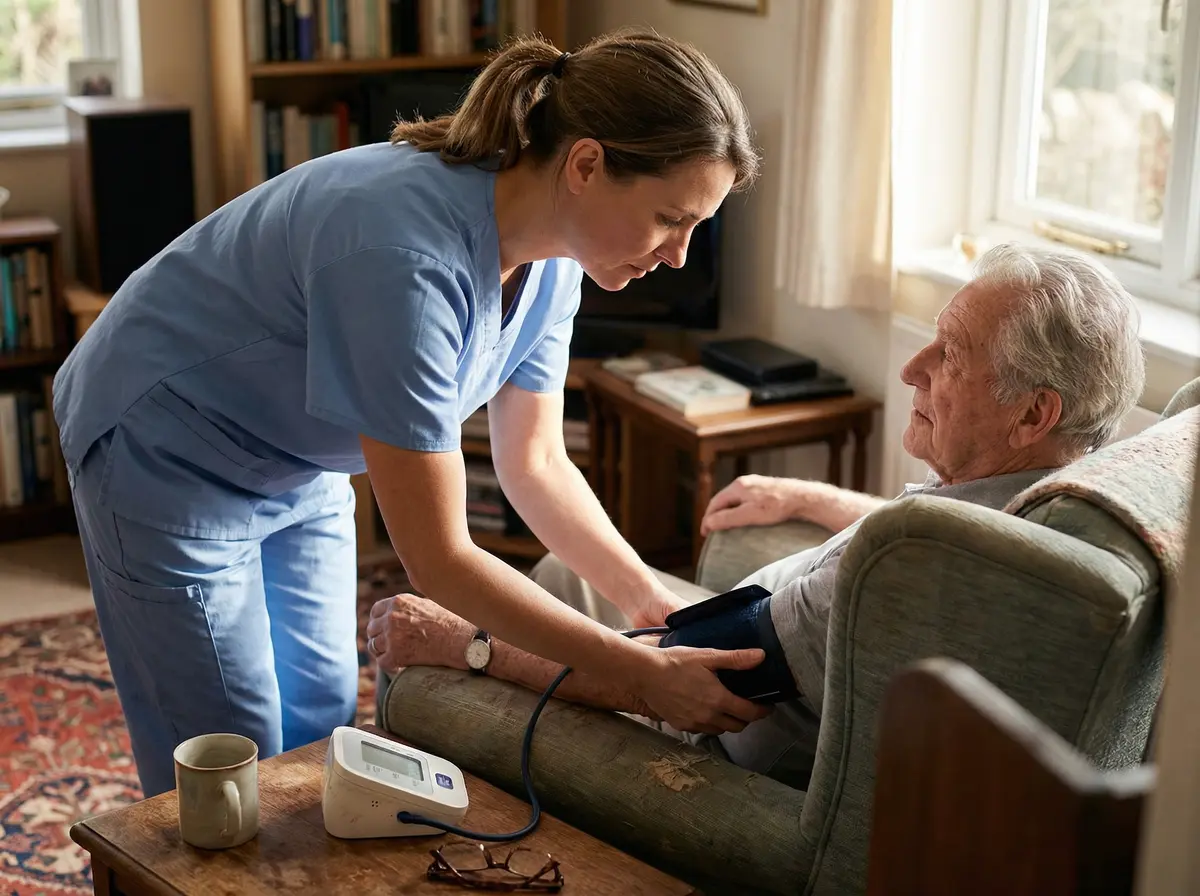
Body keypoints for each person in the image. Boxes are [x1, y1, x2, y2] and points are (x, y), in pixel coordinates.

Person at [54, 29, 770, 797]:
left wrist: (649, 603)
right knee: (232, 762)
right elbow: (441, 562)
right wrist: (637, 671)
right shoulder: (404, 256)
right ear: (586, 164)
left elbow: (535, 464)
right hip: (165, 445)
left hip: (300, 457)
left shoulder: (558, 263)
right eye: (671, 219)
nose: (680, 255)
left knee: (321, 725)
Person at [367, 243, 1146, 788]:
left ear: (1033, 414)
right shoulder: (1071, 492)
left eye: (951, 356)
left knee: (442, 630)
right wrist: (811, 497)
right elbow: (949, 522)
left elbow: (672, 683)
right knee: (565, 568)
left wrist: (467, 647)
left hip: (700, 713)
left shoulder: (894, 571)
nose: (912, 368)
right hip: (746, 635)